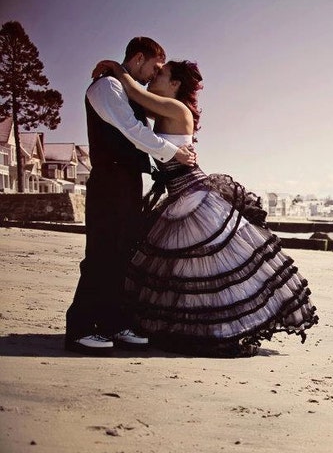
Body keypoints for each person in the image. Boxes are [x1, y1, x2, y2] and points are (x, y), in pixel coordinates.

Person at [91, 58, 318, 357]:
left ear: (175, 85)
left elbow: (133, 92)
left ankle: (215, 331)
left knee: (205, 271)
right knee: (189, 274)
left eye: (162, 74)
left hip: (192, 197)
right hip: (179, 196)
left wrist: (112, 65)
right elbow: (129, 108)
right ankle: (195, 328)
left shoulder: (176, 109)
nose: (155, 76)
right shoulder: (163, 107)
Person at [65, 37, 196, 355]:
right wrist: (173, 152)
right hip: (109, 181)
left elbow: (146, 118)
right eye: (154, 67)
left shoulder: (125, 88)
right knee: (101, 253)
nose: (155, 75)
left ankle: (112, 323)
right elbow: (132, 132)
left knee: (122, 255)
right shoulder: (106, 88)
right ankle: (80, 328)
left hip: (127, 181)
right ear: (139, 59)